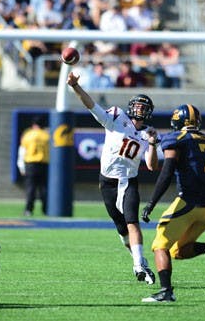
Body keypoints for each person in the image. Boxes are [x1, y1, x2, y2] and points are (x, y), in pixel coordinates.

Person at [67, 71, 158, 284]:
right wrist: (75, 87)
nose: (140, 110)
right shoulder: (117, 118)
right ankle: (140, 261)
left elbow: (152, 166)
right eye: (138, 106)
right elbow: (92, 106)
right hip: (106, 182)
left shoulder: (149, 134)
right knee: (122, 231)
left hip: (128, 181)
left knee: (132, 222)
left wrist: (153, 143)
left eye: (144, 108)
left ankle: (137, 266)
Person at [140, 104, 205, 303]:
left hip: (188, 202)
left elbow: (166, 172)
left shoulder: (175, 139)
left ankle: (166, 292)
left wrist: (151, 203)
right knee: (178, 251)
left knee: (159, 245)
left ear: (177, 121)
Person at [17, 116, 50, 216]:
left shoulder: (28, 134)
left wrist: (21, 166)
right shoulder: (46, 136)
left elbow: (22, 151)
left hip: (30, 164)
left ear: (34, 125)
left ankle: (28, 210)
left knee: (31, 188)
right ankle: (46, 210)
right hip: (44, 164)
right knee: (43, 189)